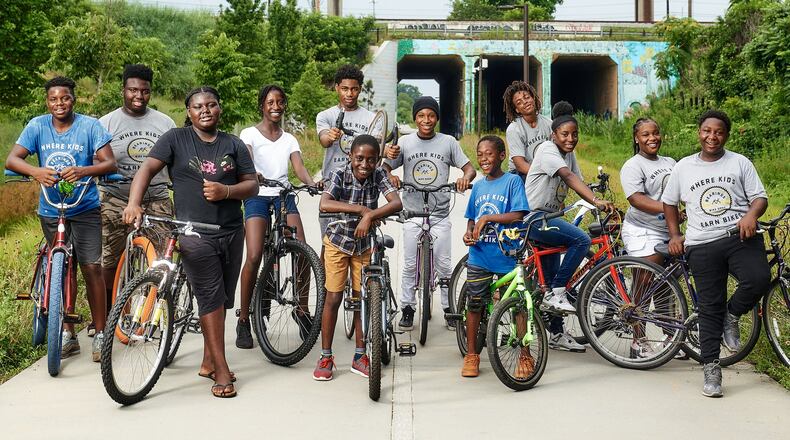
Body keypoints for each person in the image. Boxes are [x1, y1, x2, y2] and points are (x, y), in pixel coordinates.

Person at [123, 86, 258, 398]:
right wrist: (134, 202)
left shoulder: (233, 144)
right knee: (210, 296)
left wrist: (227, 192)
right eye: (198, 107)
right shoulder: (175, 139)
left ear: (219, 109)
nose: (205, 110)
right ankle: (222, 372)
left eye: (211, 104)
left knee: (223, 298)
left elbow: (251, 185)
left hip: (230, 231)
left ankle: (209, 360)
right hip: (193, 233)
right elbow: (147, 169)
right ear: (189, 112)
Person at [5, 76, 117, 362]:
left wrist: (83, 171)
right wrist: (36, 172)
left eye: (64, 98)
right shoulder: (37, 125)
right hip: (50, 209)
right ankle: (67, 333)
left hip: (86, 208)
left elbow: (109, 163)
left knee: (91, 267)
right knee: (63, 267)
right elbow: (12, 160)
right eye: (54, 99)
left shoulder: (89, 126)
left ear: (73, 99)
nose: (59, 104)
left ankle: (101, 332)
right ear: (47, 101)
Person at [662, 109, 770, 398]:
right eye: (707, 130)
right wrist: (675, 235)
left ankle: (732, 315)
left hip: (739, 237)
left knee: (758, 279)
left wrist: (750, 215)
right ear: (699, 132)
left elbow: (760, 197)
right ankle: (711, 368)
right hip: (701, 244)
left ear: (726, 135)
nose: (712, 136)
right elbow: (669, 203)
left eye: (719, 132)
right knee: (709, 306)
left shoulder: (740, 162)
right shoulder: (683, 167)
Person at [235, 84, 320, 349]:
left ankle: (301, 309)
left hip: (283, 194)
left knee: (303, 250)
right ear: (262, 105)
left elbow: (300, 169)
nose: (275, 106)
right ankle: (245, 318)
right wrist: (253, 174)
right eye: (270, 102)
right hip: (257, 194)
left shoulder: (290, 139)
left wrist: (312, 183)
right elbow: (246, 161)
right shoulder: (249, 133)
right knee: (254, 254)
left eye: (280, 102)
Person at [524, 106, 614, 352]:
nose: (570, 139)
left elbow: (579, 181)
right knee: (581, 240)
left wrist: (598, 198)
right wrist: (596, 202)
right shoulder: (547, 150)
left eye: (574, 134)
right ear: (554, 135)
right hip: (536, 218)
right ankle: (557, 292)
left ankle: (555, 333)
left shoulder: (568, 154)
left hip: (550, 216)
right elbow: (568, 177)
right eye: (564, 134)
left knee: (552, 278)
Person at [313, 135, 402, 381]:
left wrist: (370, 216)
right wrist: (363, 211)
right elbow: (325, 203)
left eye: (371, 160)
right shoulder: (340, 174)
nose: (365, 164)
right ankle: (326, 355)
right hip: (338, 243)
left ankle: (360, 355)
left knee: (361, 298)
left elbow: (396, 202)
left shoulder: (379, 175)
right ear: (351, 157)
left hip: (364, 246)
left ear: (377, 160)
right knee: (333, 297)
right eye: (360, 158)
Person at [383, 96, 475, 331]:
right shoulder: (404, 143)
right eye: (421, 116)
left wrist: (464, 179)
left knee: (444, 265)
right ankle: (408, 308)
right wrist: (391, 175)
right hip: (412, 211)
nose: (426, 120)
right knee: (410, 265)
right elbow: (384, 167)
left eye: (431, 115)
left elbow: (469, 168)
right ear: (415, 118)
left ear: (437, 118)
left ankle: (448, 309)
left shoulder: (448, 142)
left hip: (440, 211)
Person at [98, 64, 176, 337]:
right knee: (109, 259)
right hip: (116, 197)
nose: (138, 95)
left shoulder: (165, 123)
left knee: (163, 258)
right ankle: (110, 312)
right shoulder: (106, 123)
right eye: (133, 90)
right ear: (123, 90)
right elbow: (96, 161)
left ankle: (158, 314)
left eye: (144, 91)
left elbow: (175, 162)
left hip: (156, 196)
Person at [461, 135, 529, 377]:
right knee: (475, 303)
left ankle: (525, 355)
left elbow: (518, 215)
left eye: (489, 154)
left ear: (501, 156)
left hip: (507, 255)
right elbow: (472, 218)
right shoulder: (478, 186)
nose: (484, 159)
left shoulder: (512, 182)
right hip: (479, 254)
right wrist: (469, 233)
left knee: (518, 306)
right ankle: (472, 355)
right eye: (480, 155)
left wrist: (487, 218)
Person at [619, 118, 677, 358]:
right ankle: (637, 341)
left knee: (666, 284)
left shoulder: (670, 162)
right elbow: (636, 199)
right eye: (645, 135)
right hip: (641, 230)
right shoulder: (633, 165)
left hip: (667, 229)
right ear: (636, 138)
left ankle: (671, 336)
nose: (652, 138)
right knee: (644, 283)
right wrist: (668, 208)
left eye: (655, 133)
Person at [503, 81, 551, 180]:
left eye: (527, 97)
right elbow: (520, 165)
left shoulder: (549, 124)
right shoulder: (514, 129)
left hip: (543, 171)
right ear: (517, 109)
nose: (525, 102)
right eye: (519, 102)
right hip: (520, 174)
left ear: (533, 98)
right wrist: (543, 176)